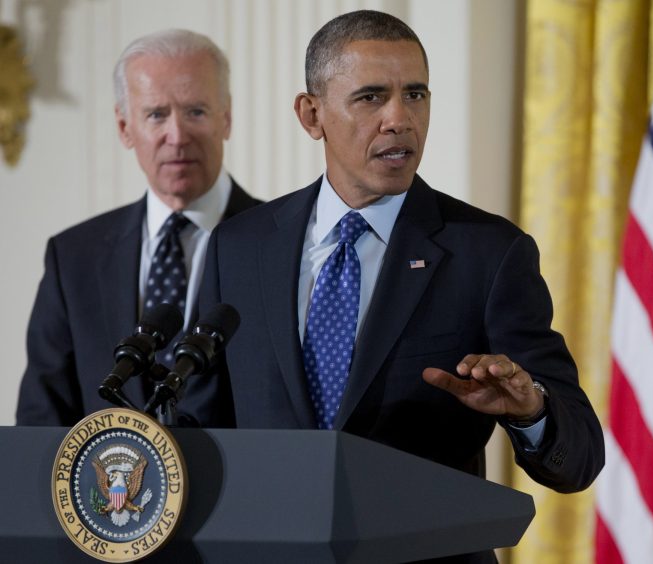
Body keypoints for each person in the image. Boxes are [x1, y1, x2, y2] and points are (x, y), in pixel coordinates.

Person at [198, 10, 603, 557]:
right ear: (311, 113)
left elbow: (579, 456)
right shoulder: (239, 248)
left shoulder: (487, 253)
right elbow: (200, 426)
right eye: (370, 97)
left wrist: (530, 410)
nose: (399, 119)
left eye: (415, 95)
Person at [16, 29, 261, 426]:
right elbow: (41, 420)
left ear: (227, 117)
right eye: (156, 114)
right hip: (109, 488)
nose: (177, 136)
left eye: (196, 111)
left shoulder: (280, 243)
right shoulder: (73, 256)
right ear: (124, 126)